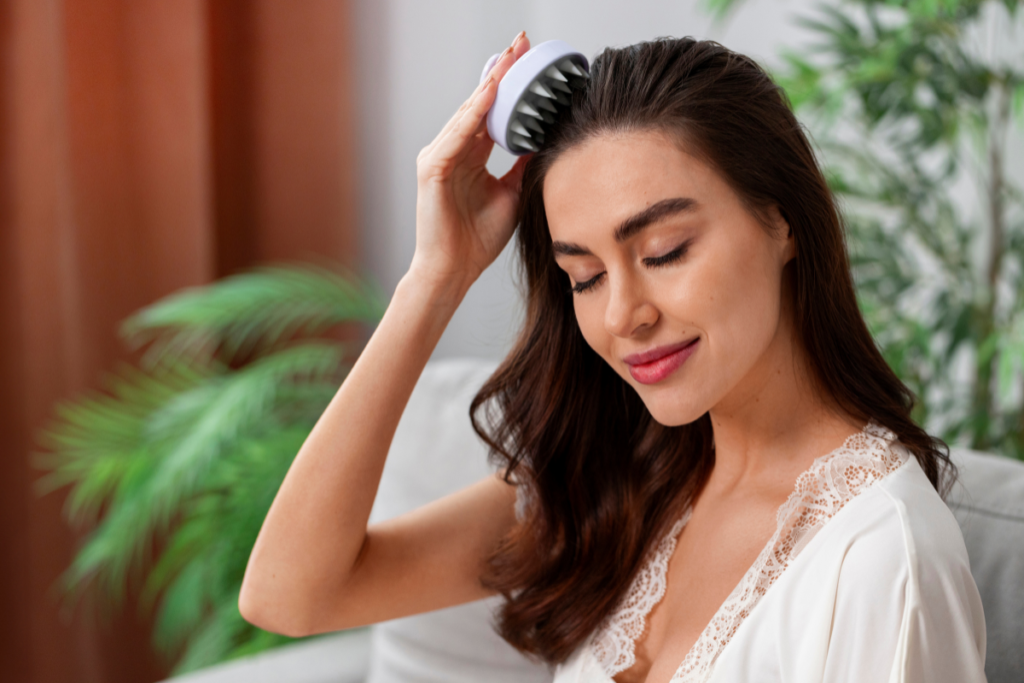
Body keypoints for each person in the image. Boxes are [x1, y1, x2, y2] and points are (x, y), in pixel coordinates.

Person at [238, 32, 988, 682]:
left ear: (781, 221)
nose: (623, 314)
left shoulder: (878, 557)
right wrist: (434, 279)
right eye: (585, 277)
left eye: (664, 251)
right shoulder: (623, 479)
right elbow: (289, 593)